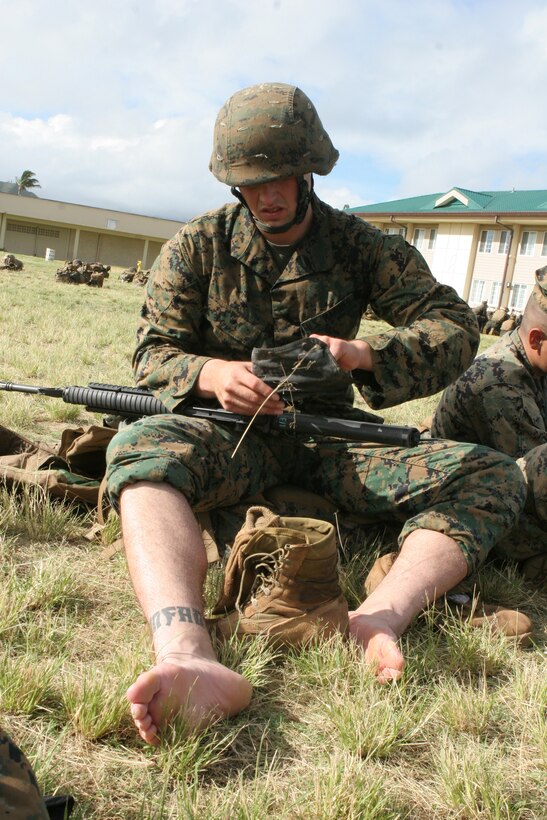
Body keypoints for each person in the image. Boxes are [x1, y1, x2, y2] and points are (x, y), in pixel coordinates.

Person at [105, 82, 526, 746]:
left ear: (309, 172)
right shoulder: (199, 245)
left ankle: (378, 619)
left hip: (333, 440)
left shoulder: (359, 246)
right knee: (139, 449)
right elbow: (153, 352)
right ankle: (185, 649)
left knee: (494, 474)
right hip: (228, 432)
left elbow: (453, 327)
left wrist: (364, 354)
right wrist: (212, 375)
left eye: (279, 178)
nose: (266, 196)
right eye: (250, 183)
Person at [431, 267, 547, 583]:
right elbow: (535, 479)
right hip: (471, 507)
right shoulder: (500, 384)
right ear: (536, 339)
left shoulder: (534, 361)